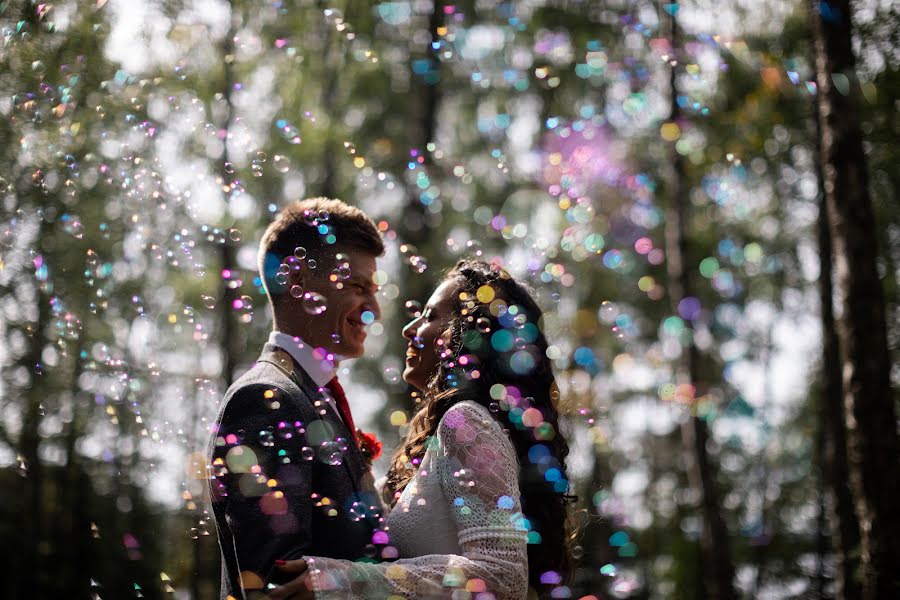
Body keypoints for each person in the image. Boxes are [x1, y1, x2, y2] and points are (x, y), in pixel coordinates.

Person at [271, 260, 573, 600]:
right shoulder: (442, 435)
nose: (409, 328)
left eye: (429, 317)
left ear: (467, 333)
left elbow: (502, 577)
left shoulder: (466, 422)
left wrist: (344, 582)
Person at [207, 197, 386, 599]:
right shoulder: (266, 398)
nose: (373, 310)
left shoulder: (315, 395)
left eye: (374, 291)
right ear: (297, 281)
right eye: (358, 287)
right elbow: (278, 583)